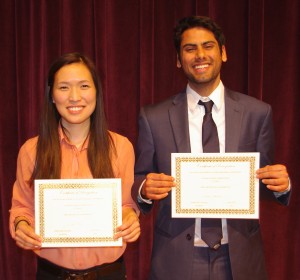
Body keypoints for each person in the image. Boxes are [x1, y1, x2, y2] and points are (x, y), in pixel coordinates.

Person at [132, 16, 290, 280]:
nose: (200, 55)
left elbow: (262, 181)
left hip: (239, 256)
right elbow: (140, 176)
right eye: (190, 49)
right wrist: (144, 189)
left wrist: (281, 184)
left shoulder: (257, 113)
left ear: (223, 53)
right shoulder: (154, 117)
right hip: (176, 258)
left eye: (208, 46)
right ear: (179, 60)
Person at [9, 52, 140, 280]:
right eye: (64, 88)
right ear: (51, 95)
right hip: (52, 274)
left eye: (84, 86)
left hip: (109, 274)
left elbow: (127, 205)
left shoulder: (121, 147)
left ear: (96, 92)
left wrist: (130, 219)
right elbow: (22, 207)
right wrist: (21, 225)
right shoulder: (31, 151)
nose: (75, 97)